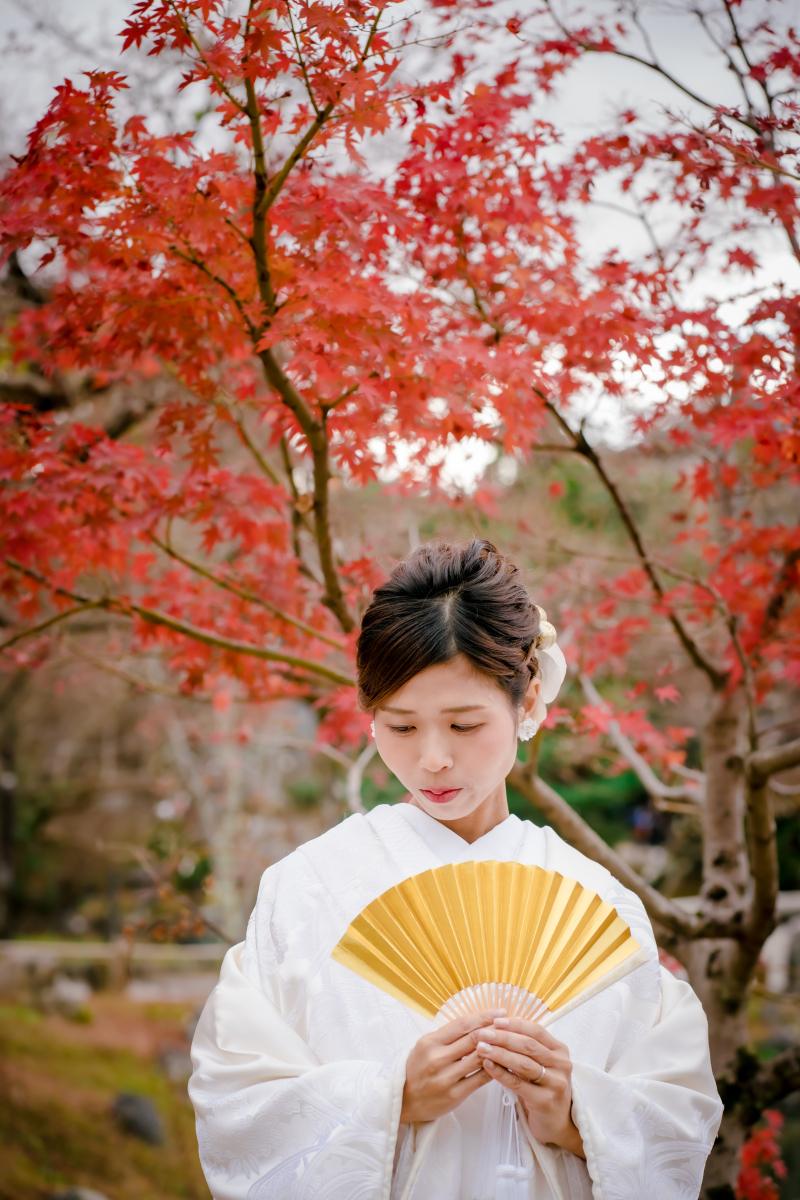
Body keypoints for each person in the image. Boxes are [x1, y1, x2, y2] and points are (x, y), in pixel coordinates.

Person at [189, 539, 722, 1200]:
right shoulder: (307, 891)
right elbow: (234, 1102)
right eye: (401, 727)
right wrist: (389, 1099)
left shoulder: (602, 905)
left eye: (465, 725)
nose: (433, 759)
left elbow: (680, 1113)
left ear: (527, 704)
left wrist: (579, 1117)